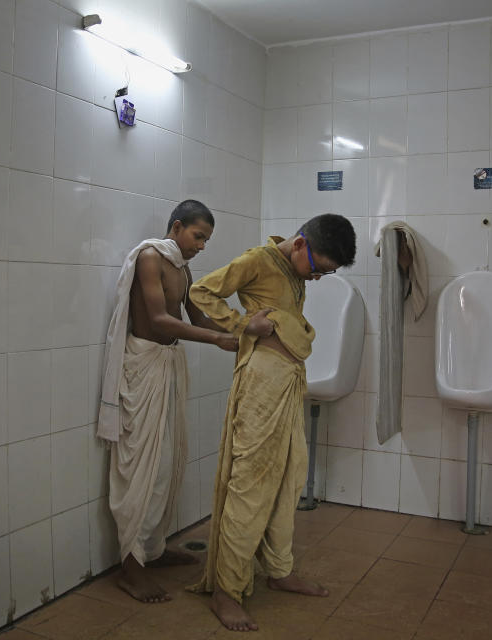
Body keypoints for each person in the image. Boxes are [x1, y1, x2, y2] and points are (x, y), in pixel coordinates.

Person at [187, 213, 357, 631]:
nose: (317, 278)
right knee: (251, 484)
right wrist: (244, 324)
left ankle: (279, 570)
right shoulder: (258, 260)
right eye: (318, 268)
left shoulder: (291, 267)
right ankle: (227, 589)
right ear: (300, 245)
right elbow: (200, 292)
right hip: (261, 385)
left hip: (288, 384)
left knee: (288, 479)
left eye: (326, 274)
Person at [96, 199, 239, 604]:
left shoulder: (182, 267)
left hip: (168, 368)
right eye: (198, 236)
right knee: (140, 465)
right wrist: (216, 339)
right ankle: (130, 568)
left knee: (167, 463)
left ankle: (152, 551)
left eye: (207, 239)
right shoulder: (150, 258)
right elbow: (158, 319)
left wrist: (241, 332)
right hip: (144, 369)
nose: (202, 246)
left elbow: (196, 317)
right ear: (176, 227)